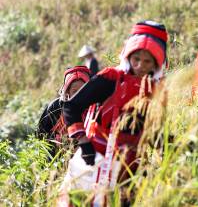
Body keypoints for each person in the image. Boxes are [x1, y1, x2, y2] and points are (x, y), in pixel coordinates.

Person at [62, 21, 169, 200]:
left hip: (131, 165)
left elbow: (156, 131)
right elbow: (71, 106)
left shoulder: (157, 91)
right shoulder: (111, 79)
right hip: (96, 158)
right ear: (128, 57)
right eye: (136, 59)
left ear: (156, 64)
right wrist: (84, 143)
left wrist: (171, 152)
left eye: (147, 61)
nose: (140, 65)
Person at [37, 66, 92, 153]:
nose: (79, 94)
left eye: (83, 90)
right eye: (75, 91)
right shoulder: (55, 108)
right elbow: (41, 136)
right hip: (57, 159)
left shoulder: (94, 108)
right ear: (67, 92)